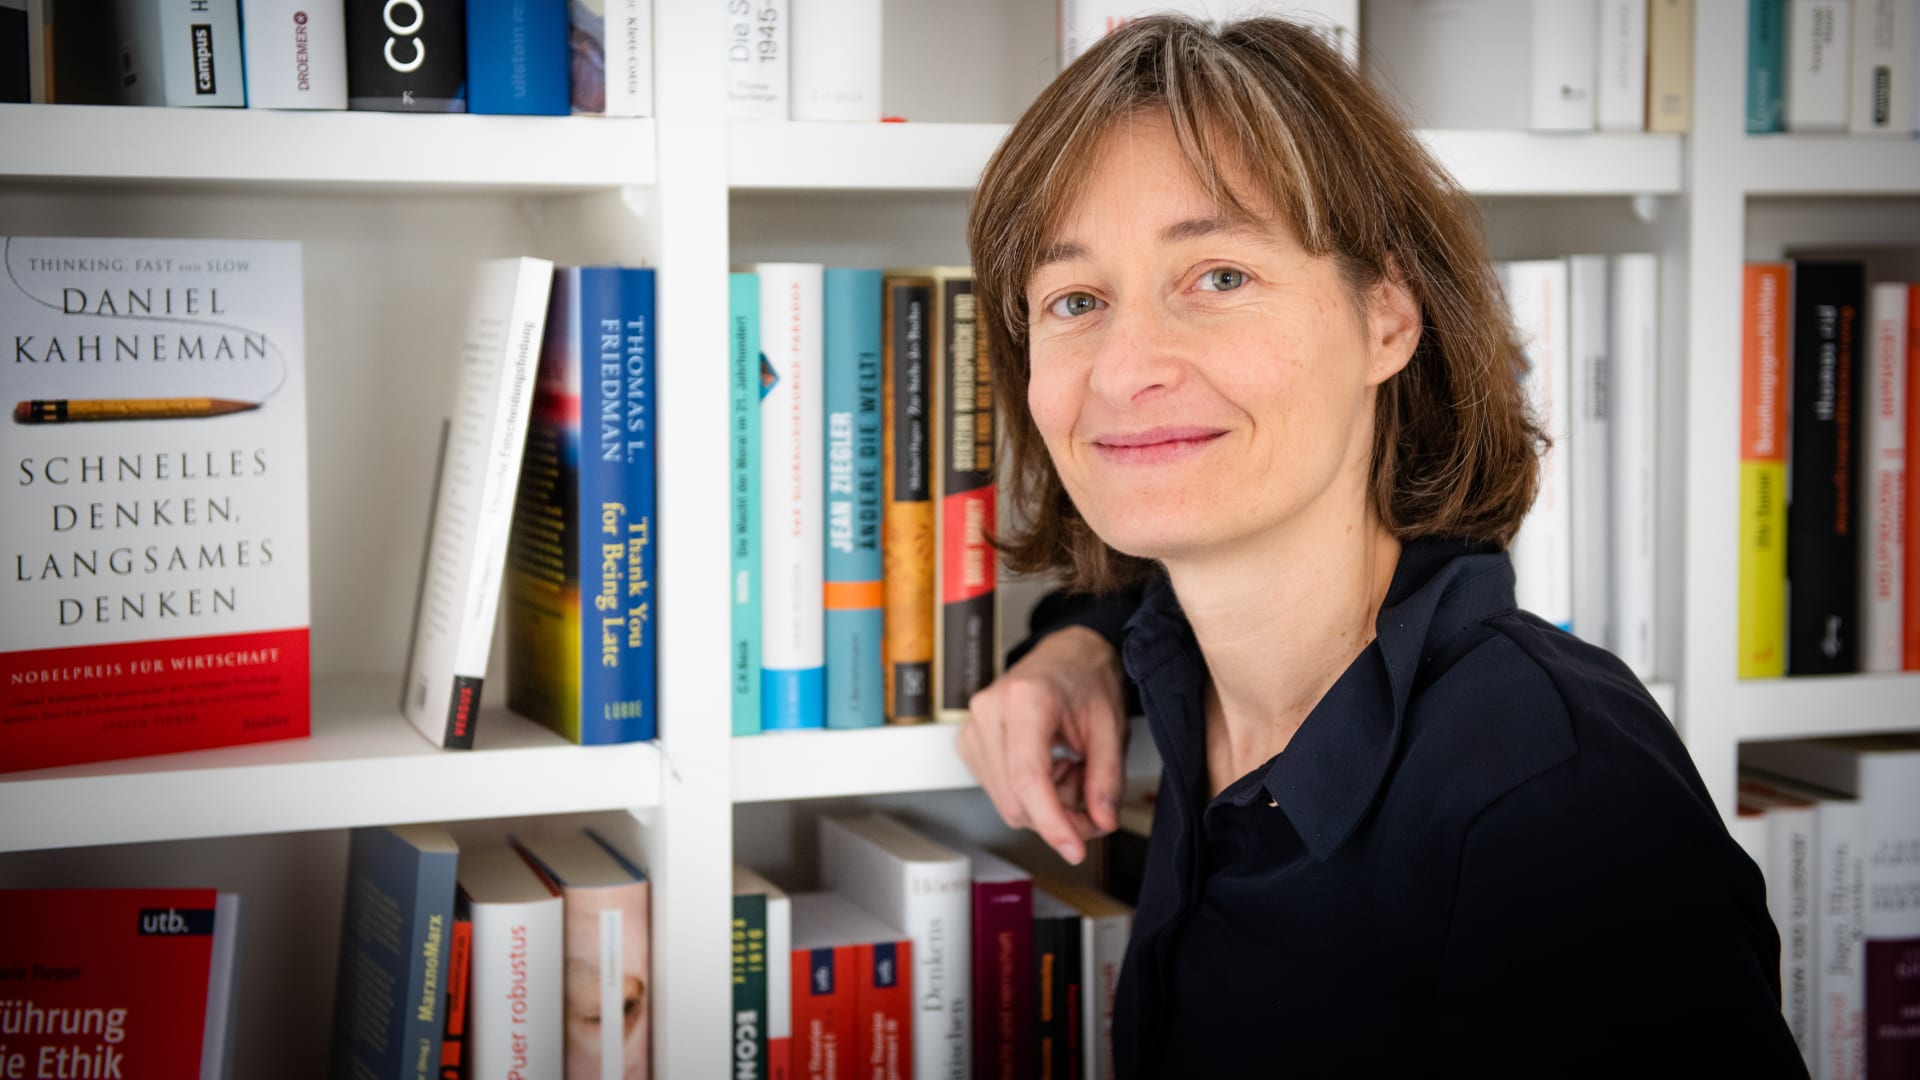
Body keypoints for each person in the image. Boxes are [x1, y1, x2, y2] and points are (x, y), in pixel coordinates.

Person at [954, 15, 1805, 1078]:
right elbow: (1154, 576)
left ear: (1388, 319)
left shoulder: (1556, 797)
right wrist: (1076, 645)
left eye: (1219, 276)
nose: (1126, 370)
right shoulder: (1192, 673)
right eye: (1076, 300)